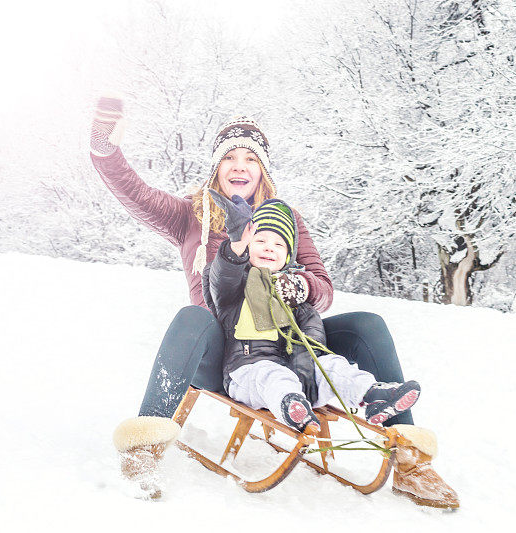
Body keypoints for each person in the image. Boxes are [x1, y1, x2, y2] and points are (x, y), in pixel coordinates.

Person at [90, 95, 458, 507]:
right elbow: (133, 192)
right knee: (192, 316)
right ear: (217, 167)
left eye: (250, 157)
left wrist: (302, 287)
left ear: (262, 168)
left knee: (368, 324)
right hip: (229, 352)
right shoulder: (190, 215)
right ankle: (143, 451)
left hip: (291, 346)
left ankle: (412, 461)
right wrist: (106, 149)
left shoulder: (285, 218)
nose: (240, 165)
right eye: (230, 157)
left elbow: (323, 285)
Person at [207, 194, 421, 431]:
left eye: (279, 244)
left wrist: (307, 371)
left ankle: (372, 395)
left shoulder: (293, 293)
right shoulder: (235, 288)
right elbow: (223, 274)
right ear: (248, 245)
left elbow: (311, 337)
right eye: (260, 241)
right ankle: (291, 406)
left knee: (334, 366)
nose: (269, 247)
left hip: (301, 379)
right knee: (272, 375)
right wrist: (237, 244)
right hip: (247, 373)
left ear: (288, 256)